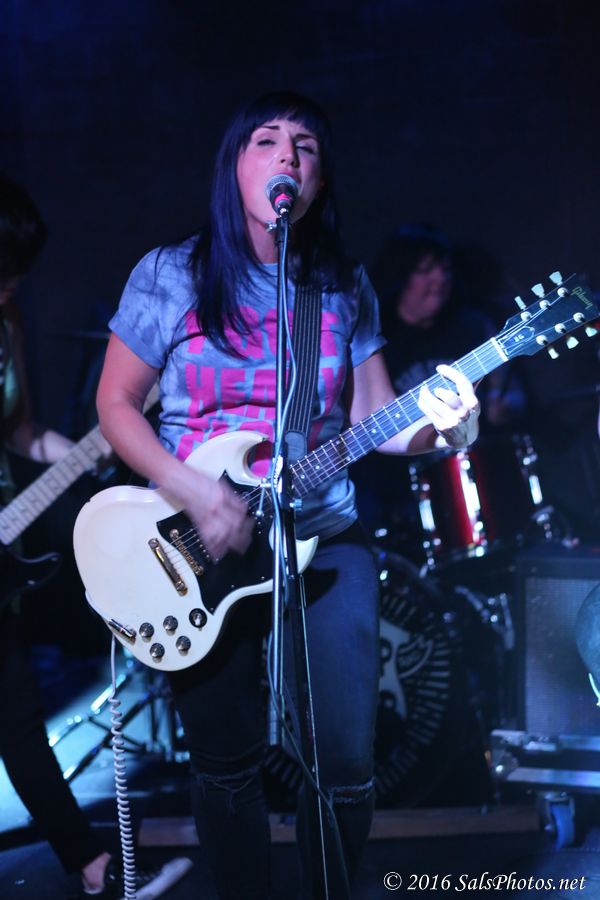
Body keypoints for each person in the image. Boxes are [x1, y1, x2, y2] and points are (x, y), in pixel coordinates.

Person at [95, 92, 480, 900]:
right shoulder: (171, 273)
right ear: (234, 167)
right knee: (226, 761)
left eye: (305, 147)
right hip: (197, 543)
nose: (287, 157)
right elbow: (116, 405)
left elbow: (377, 420)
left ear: (319, 178)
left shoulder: (341, 284)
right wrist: (193, 489)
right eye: (266, 142)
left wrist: (448, 431)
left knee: (344, 765)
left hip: (323, 533)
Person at [0, 175, 192, 899]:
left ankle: (93, 868)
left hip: (6, 548)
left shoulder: (7, 327)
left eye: (17, 276)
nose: (11, 289)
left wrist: (96, 450)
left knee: (18, 717)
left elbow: (23, 433)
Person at [353, 223, 526, 545]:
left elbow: (513, 393)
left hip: (472, 472)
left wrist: (503, 407)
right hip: (395, 488)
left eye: (445, 269)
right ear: (401, 275)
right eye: (425, 270)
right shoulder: (374, 334)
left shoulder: (472, 326)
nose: (440, 279)